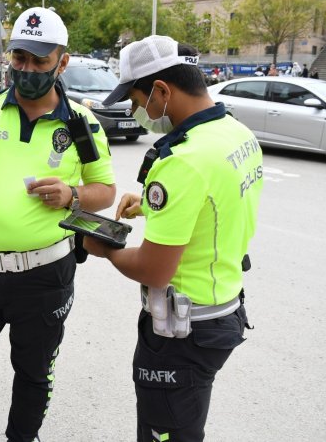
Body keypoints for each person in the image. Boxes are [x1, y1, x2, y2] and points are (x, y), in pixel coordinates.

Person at [0, 7, 116, 442]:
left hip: (45, 277)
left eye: (39, 61)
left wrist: (72, 195)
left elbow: (104, 190)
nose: (27, 69)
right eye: (19, 58)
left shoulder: (81, 122)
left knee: (33, 376)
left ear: (62, 62)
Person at [84, 35, 263, 442]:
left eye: (135, 99)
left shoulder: (182, 161)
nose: (134, 110)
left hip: (183, 335)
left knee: (166, 433)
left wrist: (104, 251)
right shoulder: (235, 133)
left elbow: (154, 269)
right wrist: (148, 203)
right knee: (187, 424)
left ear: (162, 91)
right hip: (223, 311)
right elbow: (211, 201)